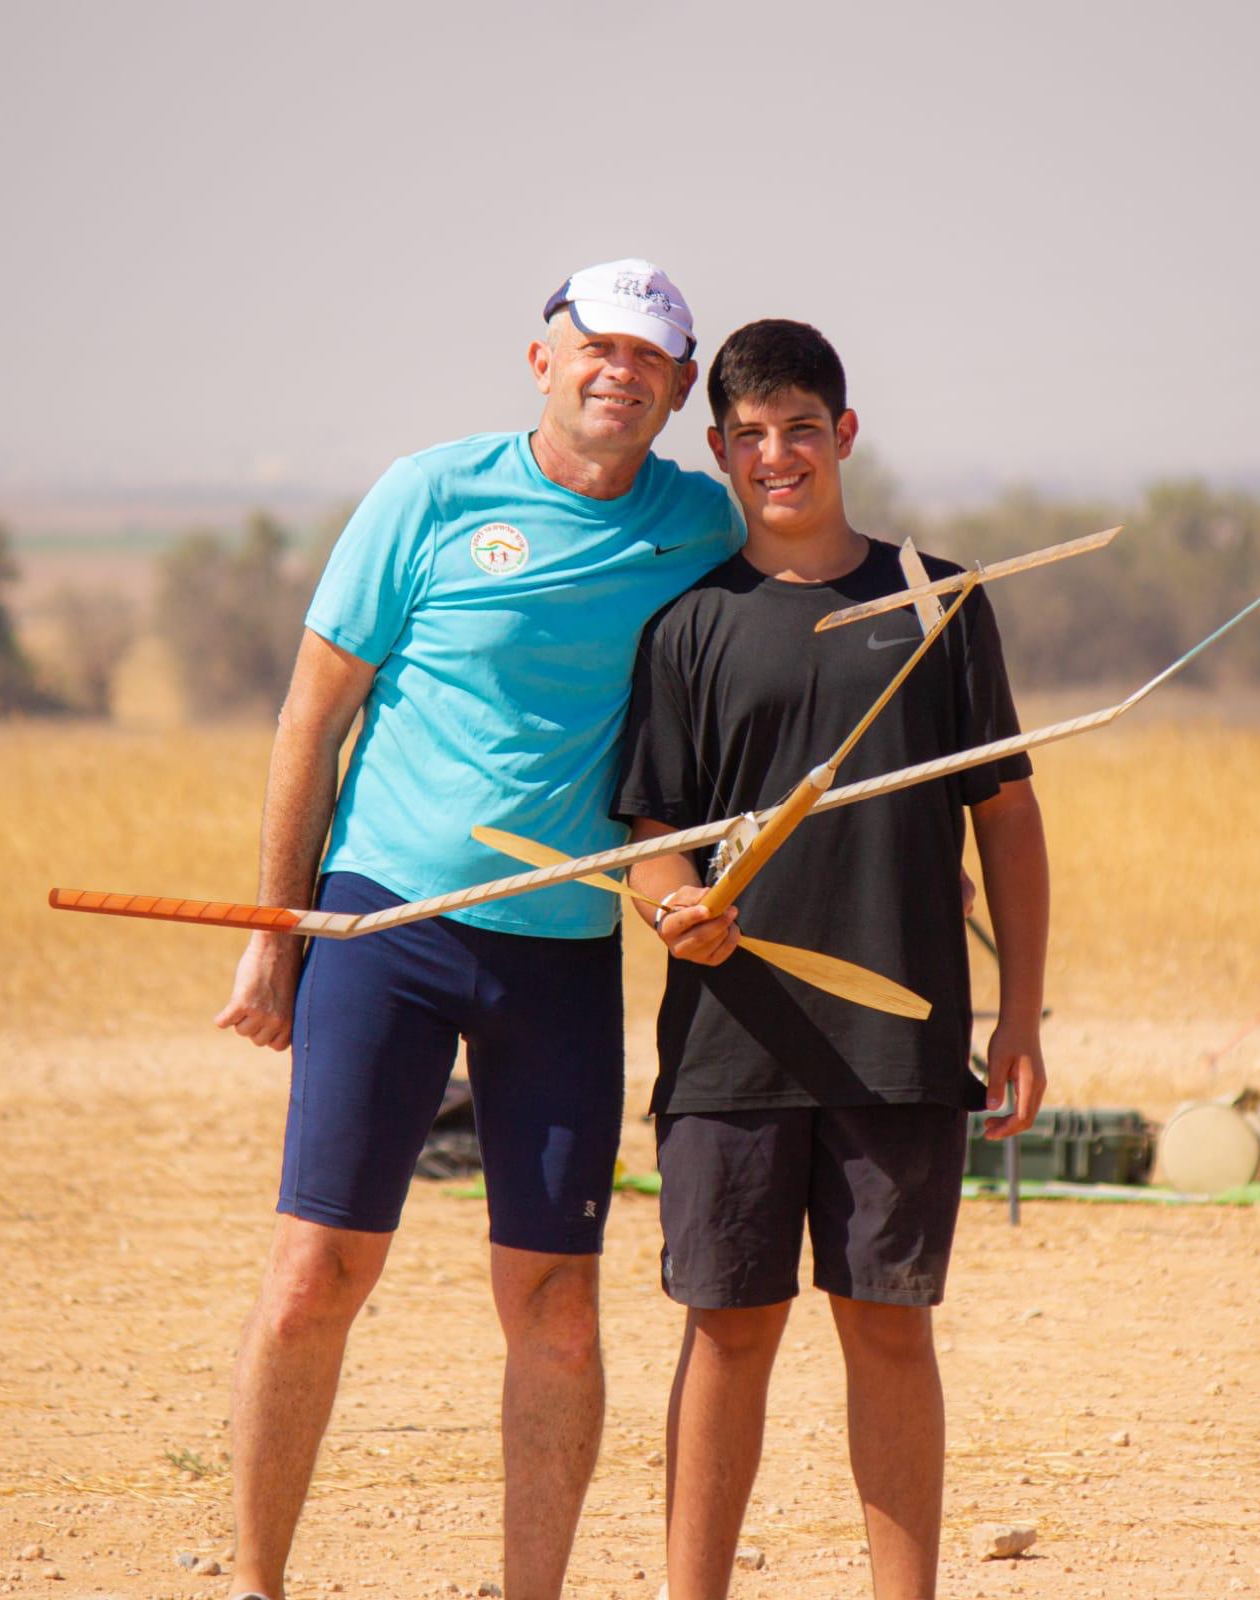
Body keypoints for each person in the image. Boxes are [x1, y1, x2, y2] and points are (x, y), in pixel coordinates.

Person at [212, 259, 742, 1600]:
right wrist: (280, 932)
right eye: (593, 346)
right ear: (540, 359)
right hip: (384, 922)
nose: (616, 371)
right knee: (314, 1274)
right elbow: (309, 718)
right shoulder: (427, 495)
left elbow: (790, 629)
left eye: (648, 357)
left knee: (556, 1311)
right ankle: (255, 1583)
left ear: (680, 393)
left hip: (559, 951)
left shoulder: (701, 524)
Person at [613, 320, 1049, 1600]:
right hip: (726, 1046)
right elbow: (652, 839)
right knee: (729, 1329)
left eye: (800, 427)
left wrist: (1018, 1015)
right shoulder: (688, 627)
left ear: (844, 433)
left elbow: (1007, 819)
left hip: (898, 1034)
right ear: (718, 450)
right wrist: (674, 904)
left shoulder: (936, 599)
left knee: (886, 1326)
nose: (776, 455)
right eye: (748, 435)